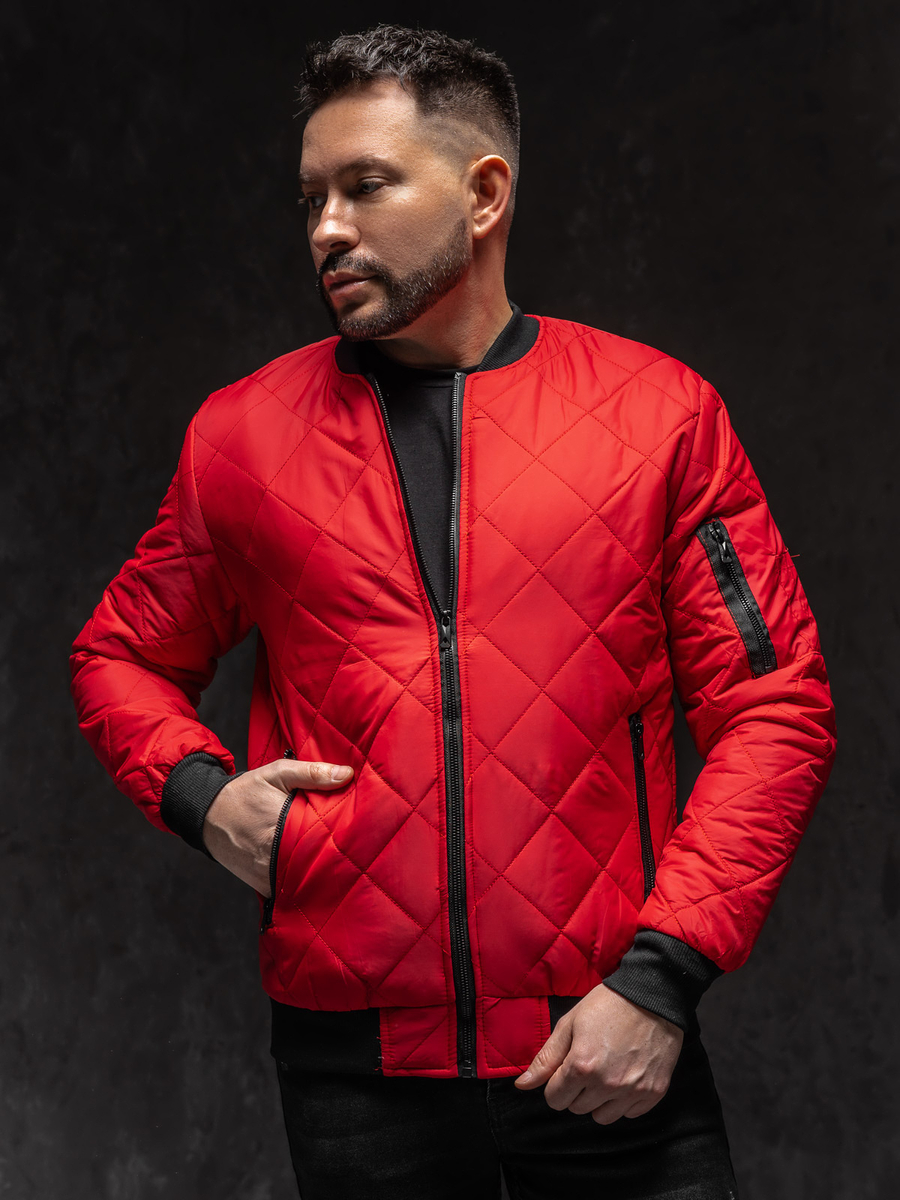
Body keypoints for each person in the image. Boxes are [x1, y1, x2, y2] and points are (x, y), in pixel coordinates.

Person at [70, 24, 836, 1200]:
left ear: (483, 194)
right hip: (355, 1077)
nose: (327, 228)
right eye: (312, 197)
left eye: (366, 186)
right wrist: (202, 798)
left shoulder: (660, 417)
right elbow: (119, 654)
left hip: (608, 1048)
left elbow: (775, 708)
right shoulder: (242, 436)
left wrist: (661, 979)